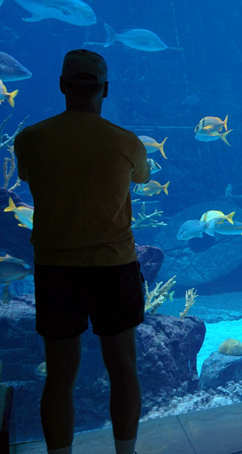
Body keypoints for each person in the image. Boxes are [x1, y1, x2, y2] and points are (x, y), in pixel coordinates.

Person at [14, 49, 150, 454]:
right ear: (105, 89)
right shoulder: (126, 142)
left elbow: (27, 175)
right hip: (114, 265)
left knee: (59, 375)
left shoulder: (30, 139)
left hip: (56, 269)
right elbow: (141, 177)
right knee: (123, 368)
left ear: (61, 85)